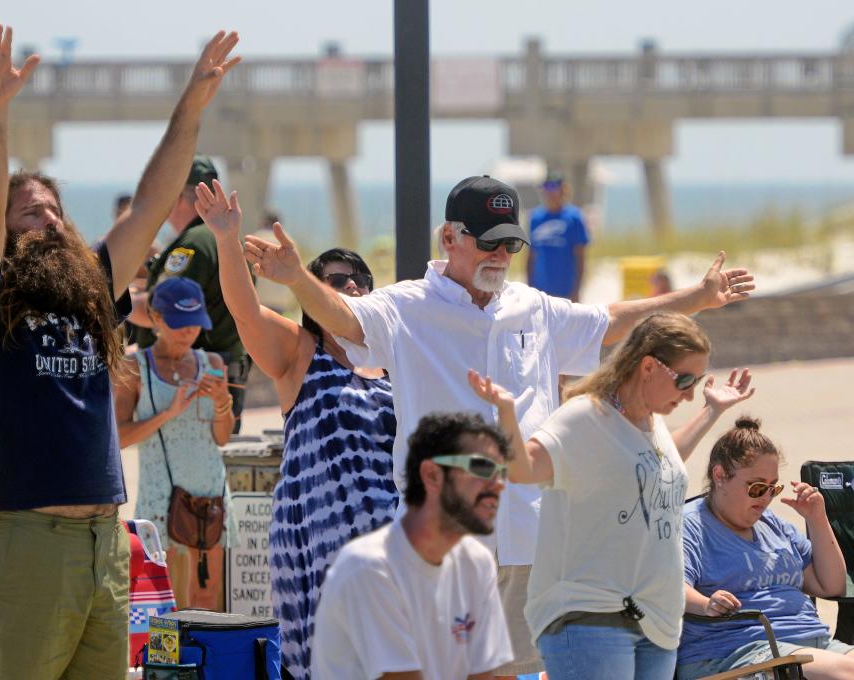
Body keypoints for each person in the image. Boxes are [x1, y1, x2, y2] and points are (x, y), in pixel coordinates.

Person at [245, 174, 756, 677]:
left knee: (509, 671)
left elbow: (609, 322)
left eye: (510, 243)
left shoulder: (531, 306)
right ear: (450, 238)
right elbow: (343, 317)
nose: (500, 255)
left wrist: (698, 298)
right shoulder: (406, 306)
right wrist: (295, 279)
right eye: (488, 242)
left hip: (524, 536)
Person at [0, 24, 240, 679]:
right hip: (27, 540)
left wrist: (190, 108)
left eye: (53, 209)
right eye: (31, 213)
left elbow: (152, 201)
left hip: (104, 542)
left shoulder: (91, 286)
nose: (47, 219)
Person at [469, 312, 755, 680]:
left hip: (657, 620)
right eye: (684, 380)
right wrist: (507, 413)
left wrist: (711, 409)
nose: (688, 394)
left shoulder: (649, 423)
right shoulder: (584, 418)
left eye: (696, 382)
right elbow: (521, 469)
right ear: (648, 367)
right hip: (592, 616)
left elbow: (658, 468)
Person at [194, 179, 398, 679]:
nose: (350, 285)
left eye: (358, 278)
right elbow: (243, 311)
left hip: (396, 549)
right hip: (320, 552)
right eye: (334, 278)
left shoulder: (398, 359)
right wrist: (226, 238)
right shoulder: (301, 355)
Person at [311, 412, 514, 680]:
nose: (498, 485)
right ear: (432, 474)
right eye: (482, 468)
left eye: (501, 472)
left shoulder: (477, 563)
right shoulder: (369, 567)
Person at [677, 417, 854, 680]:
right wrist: (706, 604)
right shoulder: (691, 525)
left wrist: (818, 519)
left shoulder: (773, 525)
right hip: (735, 654)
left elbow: (831, 585)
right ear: (720, 475)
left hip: (811, 646)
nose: (765, 498)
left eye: (773, 488)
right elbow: (669, 587)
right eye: (757, 487)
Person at [113, 277, 238, 610]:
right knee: (168, 605)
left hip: (210, 494)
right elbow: (119, 438)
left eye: (195, 324)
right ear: (154, 318)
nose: (189, 332)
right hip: (162, 498)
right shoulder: (134, 367)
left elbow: (222, 437)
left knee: (209, 599)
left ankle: (207, 663)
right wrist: (169, 412)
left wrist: (223, 401)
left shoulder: (211, 364)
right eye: (179, 324)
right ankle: (174, 666)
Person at [131, 156, 251, 432]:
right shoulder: (224, 238)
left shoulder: (194, 243)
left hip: (194, 382)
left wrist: (110, 302)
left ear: (178, 196)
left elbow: (169, 311)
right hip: (217, 377)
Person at [526, 171, 589, 301]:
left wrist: (577, 290)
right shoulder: (535, 218)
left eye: (554, 187)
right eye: (546, 187)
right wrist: (529, 287)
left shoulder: (574, 217)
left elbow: (581, 257)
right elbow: (531, 255)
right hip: (540, 292)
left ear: (563, 190)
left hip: (566, 292)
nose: (550, 192)